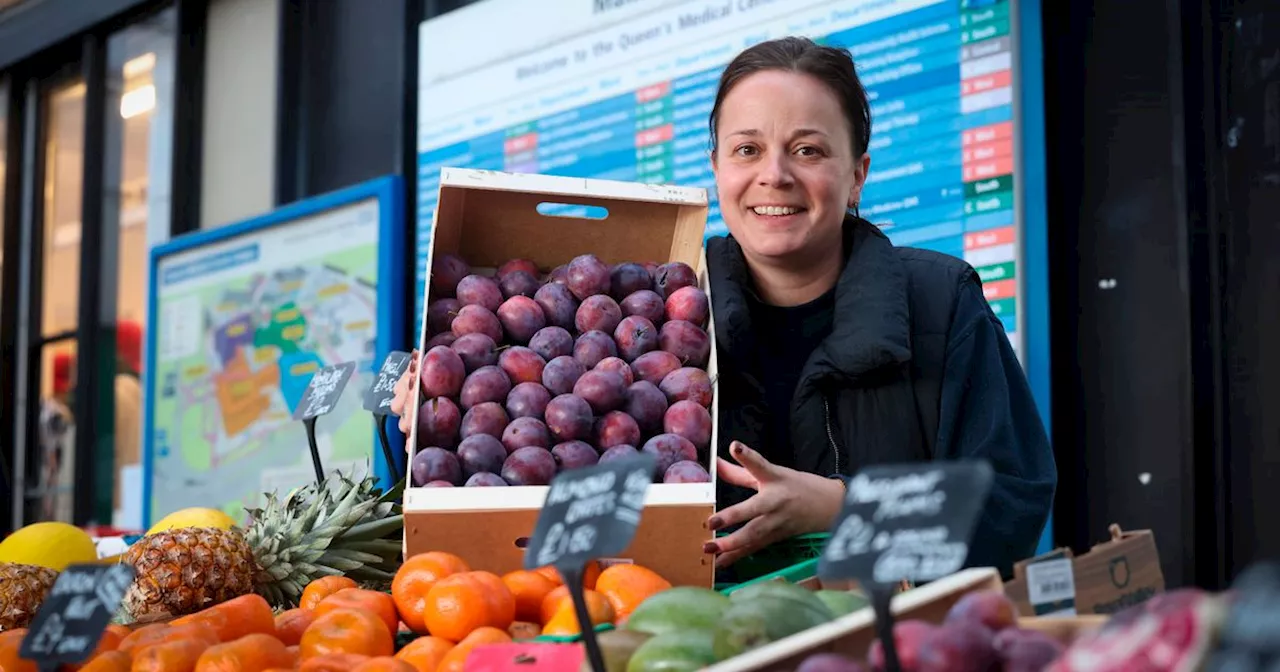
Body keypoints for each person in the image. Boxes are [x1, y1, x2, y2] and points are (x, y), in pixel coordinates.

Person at [392, 37, 1056, 579]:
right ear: (716, 168)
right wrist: (427, 423)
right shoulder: (662, 317)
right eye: (747, 150)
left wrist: (841, 507)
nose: (775, 175)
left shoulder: (940, 302)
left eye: (809, 150)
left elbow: (1013, 505)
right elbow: (539, 492)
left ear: (857, 173)